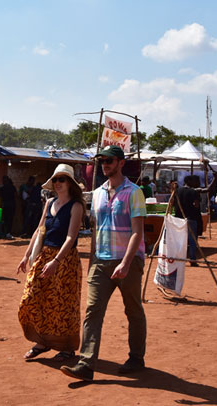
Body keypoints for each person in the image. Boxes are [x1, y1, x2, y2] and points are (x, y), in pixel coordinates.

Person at [61, 145, 146, 382]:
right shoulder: (97, 193)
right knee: (93, 311)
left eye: (109, 160)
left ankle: (137, 358)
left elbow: (137, 232)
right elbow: (96, 230)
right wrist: (92, 261)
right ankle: (86, 364)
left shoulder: (134, 192)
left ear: (121, 163)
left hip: (127, 261)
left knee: (133, 310)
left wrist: (127, 263)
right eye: (102, 161)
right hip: (101, 261)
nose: (105, 164)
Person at [17, 164, 84, 362]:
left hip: (65, 261)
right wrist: (26, 255)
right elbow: (39, 231)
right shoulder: (49, 203)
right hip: (44, 256)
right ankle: (42, 341)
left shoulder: (77, 206)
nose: (57, 184)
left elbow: (71, 238)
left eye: (61, 179)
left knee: (63, 304)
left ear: (70, 183)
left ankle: (67, 347)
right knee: (32, 297)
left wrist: (56, 261)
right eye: (55, 180)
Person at [174, 175, 202, 265]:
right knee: (192, 240)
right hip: (190, 218)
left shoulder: (177, 191)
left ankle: (178, 258)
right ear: (189, 181)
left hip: (179, 219)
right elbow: (196, 205)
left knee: (180, 240)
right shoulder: (193, 192)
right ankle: (192, 259)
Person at [0, 176, 17, 240]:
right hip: (11, 205)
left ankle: (4, 233)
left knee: (4, 220)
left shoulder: (2, 188)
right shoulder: (12, 187)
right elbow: (16, 195)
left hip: (5, 206)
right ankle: (8, 233)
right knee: (9, 220)